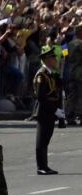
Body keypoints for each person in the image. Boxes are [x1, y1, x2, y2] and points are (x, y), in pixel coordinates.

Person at [33, 46, 65, 175]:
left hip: (51, 110)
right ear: (46, 59)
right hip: (44, 110)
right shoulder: (42, 74)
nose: (55, 60)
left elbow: (56, 92)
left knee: (46, 139)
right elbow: (41, 97)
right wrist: (54, 110)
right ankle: (41, 167)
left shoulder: (51, 73)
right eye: (53, 57)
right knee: (41, 140)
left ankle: (45, 166)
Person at [64, 25, 82, 125]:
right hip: (79, 72)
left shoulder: (67, 44)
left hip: (70, 71)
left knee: (71, 95)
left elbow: (65, 56)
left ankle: (69, 115)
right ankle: (80, 114)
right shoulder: (80, 44)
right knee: (80, 94)